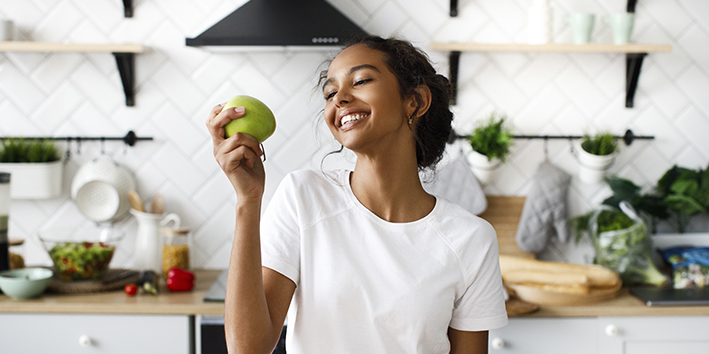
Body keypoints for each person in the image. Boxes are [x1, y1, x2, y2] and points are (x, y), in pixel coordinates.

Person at [206, 35, 508, 354]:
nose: (340, 99)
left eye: (361, 80)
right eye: (330, 92)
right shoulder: (303, 197)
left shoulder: (470, 239)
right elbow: (247, 349)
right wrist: (248, 199)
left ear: (415, 101)